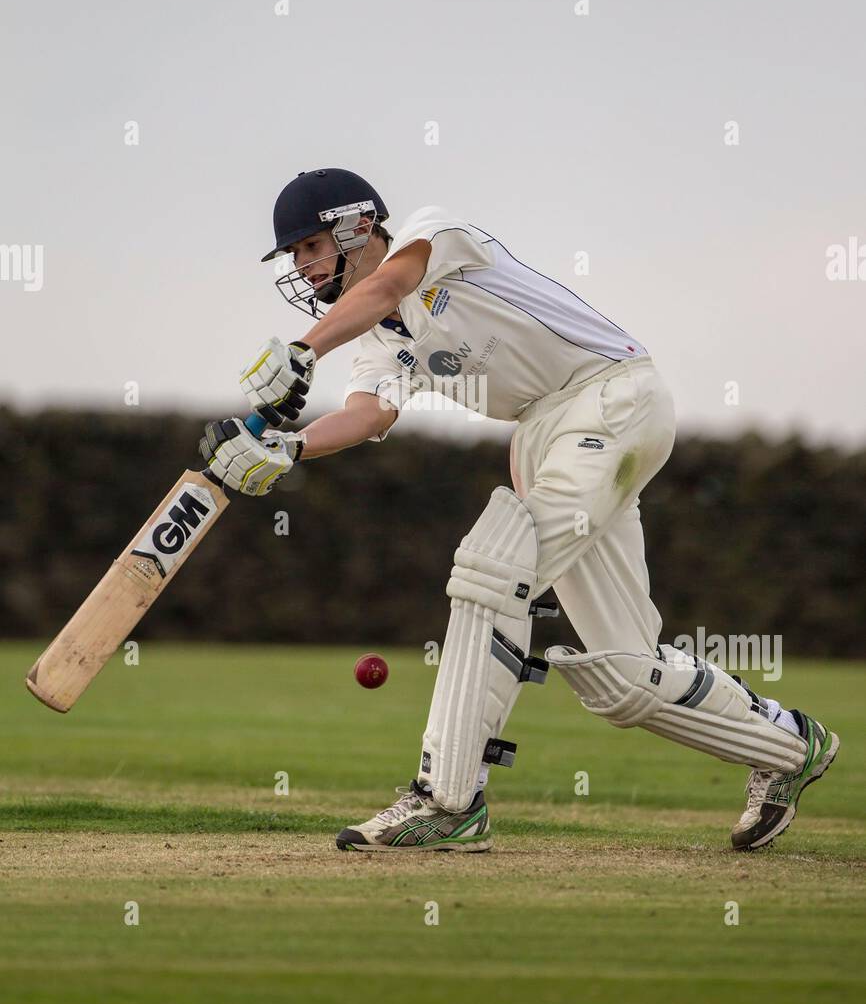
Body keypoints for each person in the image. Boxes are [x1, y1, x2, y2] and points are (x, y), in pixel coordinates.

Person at [200, 168, 839, 853]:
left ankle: (448, 800)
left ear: (357, 225)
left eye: (307, 246)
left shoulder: (433, 235)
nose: (301, 266)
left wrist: (304, 351)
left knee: (494, 567)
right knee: (622, 674)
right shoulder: (382, 341)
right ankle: (786, 745)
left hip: (609, 395)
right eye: (293, 255)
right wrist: (289, 447)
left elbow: (389, 284)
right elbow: (368, 413)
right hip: (545, 433)